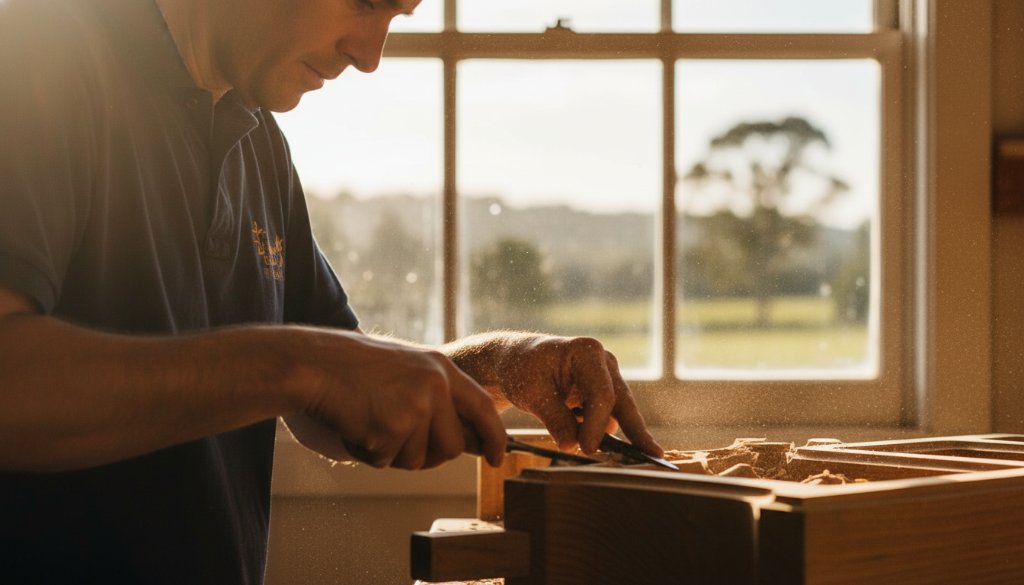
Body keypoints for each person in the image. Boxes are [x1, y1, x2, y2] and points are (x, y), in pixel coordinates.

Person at [0, 0, 664, 582]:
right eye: (364, 1)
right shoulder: (39, 52)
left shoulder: (257, 139)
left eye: (396, 17)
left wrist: (499, 364)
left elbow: (341, 389)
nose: (369, 55)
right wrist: (296, 365)